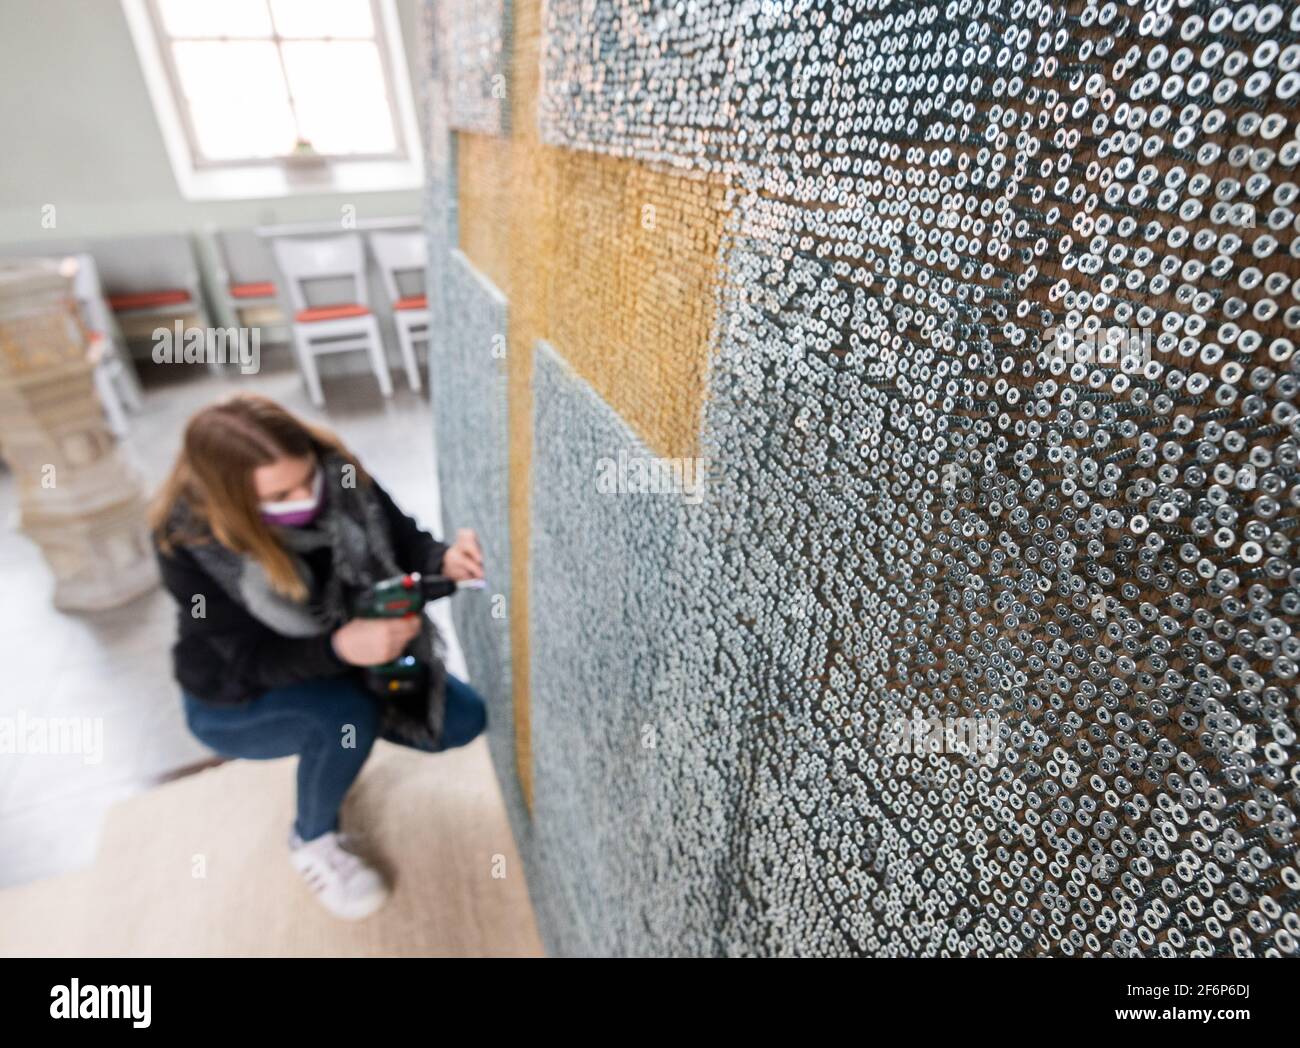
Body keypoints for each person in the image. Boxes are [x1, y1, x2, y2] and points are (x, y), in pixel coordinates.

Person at [150, 393, 486, 920]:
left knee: (460, 723)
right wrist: (341, 646)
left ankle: (341, 740)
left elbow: (405, 546)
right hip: (238, 694)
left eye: (308, 478)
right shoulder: (187, 540)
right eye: (281, 494)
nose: (307, 496)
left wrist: (446, 561)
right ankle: (312, 839)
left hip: (350, 657)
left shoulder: (340, 474)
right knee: (342, 717)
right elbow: (248, 659)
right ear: (233, 500)